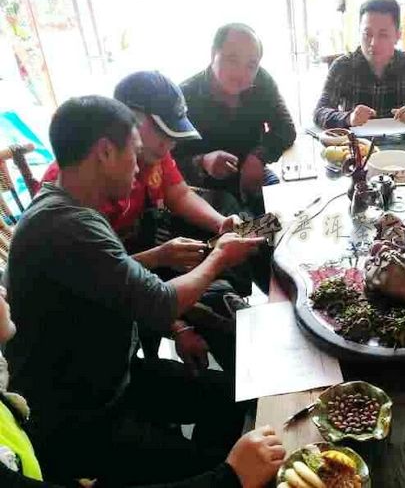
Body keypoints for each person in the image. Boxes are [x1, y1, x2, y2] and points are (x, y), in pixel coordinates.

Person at [3, 95, 275, 486]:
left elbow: (105, 274)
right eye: (133, 154)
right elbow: (160, 304)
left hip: (114, 378)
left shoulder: (65, 208)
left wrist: (158, 256)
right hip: (79, 418)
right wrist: (219, 257)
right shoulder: (68, 225)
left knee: (232, 395)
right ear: (104, 152)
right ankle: (208, 468)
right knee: (223, 466)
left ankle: (200, 460)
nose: (138, 167)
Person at [42, 71, 253, 371]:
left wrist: (220, 225)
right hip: (112, 305)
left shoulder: (129, 162)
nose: (170, 147)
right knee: (216, 309)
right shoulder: (77, 208)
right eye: (162, 136)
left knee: (225, 298)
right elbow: (136, 291)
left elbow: (177, 192)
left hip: (129, 271)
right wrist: (178, 324)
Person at [0, 287, 285, 488]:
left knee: (227, 393)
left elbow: (128, 285)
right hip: (79, 424)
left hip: (109, 382)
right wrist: (229, 477)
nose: (3, 290)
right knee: (220, 466)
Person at [177, 23, 296, 216]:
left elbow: (286, 128)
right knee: (236, 222)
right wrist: (203, 162)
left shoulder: (262, 82)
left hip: (251, 174)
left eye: (251, 65)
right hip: (201, 188)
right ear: (213, 54)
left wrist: (258, 156)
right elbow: (166, 164)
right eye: (232, 59)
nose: (241, 73)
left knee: (288, 213)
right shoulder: (184, 96)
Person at [313, 0, 405, 130]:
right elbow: (320, 112)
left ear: (397, 35)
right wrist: (348, 118)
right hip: (355, 142)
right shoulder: (343, 66)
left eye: (383, 35)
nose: (373, 43)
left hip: (399, 141)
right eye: (367, 34)